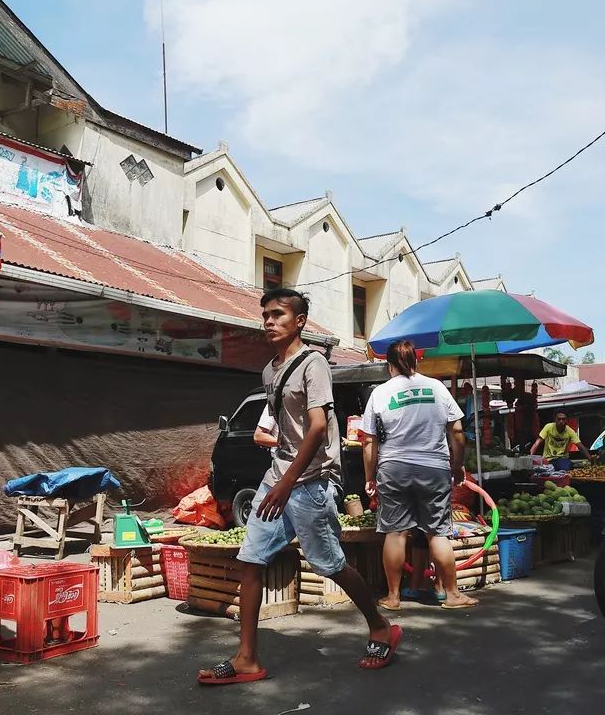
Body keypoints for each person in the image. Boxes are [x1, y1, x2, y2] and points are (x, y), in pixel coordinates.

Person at [198, 289, 399, 685]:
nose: (269, 322)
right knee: (250, 559)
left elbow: (319, 428)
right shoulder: (269, 372)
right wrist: (277, 474)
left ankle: (380, 627)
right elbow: (280, 428)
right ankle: (247, 659)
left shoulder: (314, 364)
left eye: (278, 315)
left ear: (300, 321)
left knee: (330, 564)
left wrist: (286, 483)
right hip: (279, 476)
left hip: (309, 481)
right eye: (266, 316)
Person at [360, 340, 478, 611]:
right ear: (416, 361)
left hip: (393, 468)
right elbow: (457, 432)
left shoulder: (380, 393)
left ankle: (393, 597)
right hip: (434, 467)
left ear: (389, 365)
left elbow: (369, 441)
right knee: (437, 533)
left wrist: (369, 476)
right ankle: (451, 595)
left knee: (396, 532)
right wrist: (457, 465)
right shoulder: (437, 387)